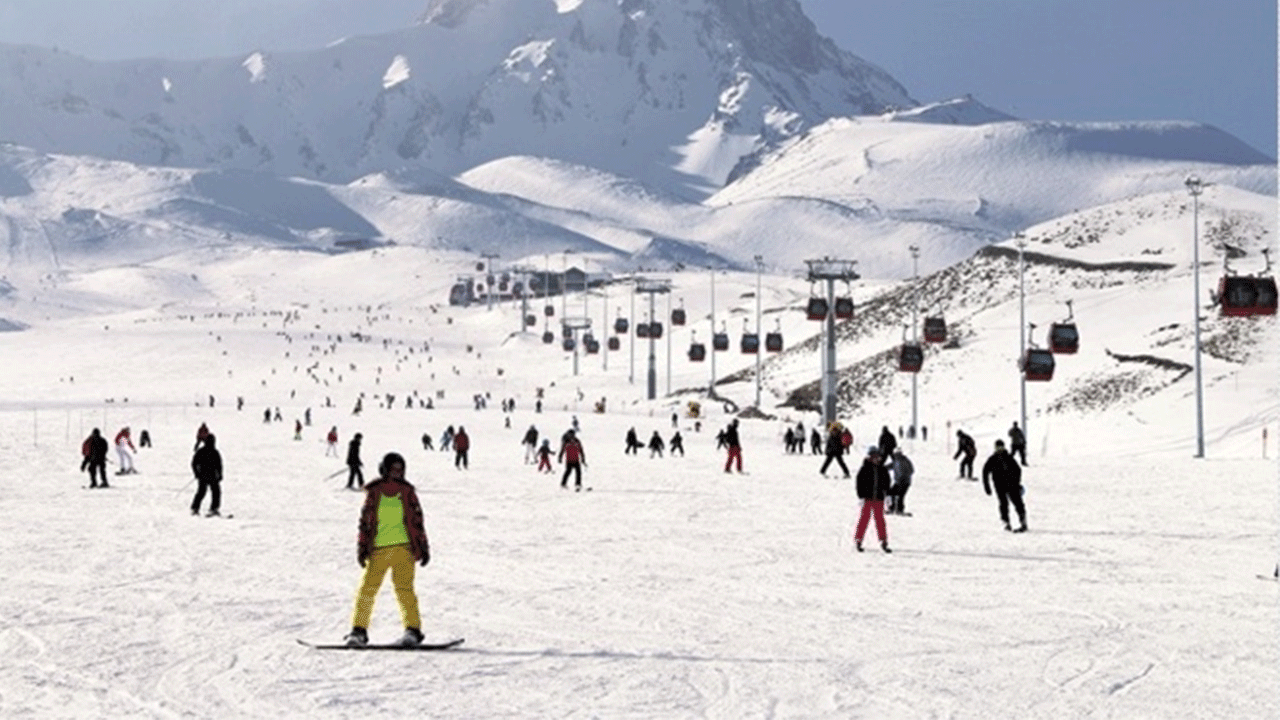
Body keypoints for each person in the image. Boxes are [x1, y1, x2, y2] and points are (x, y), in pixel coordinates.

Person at [344, 452, 430, 647]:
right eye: (393, 469)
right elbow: (365, 522)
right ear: (384, 469)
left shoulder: (407, 492)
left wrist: (423, 546)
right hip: (378, 550)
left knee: (405, 591)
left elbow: (417, 520)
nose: (397, 473)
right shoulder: (375, 492)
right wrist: (362, 546)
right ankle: (358, 630)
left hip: (404, 550)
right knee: (367, 590)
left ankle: (412, 630)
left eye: (400, 469)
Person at [853, 446, 892, 553]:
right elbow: (859, 483)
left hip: (879, 498)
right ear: (869, 457)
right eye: (873, 457)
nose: (876, 459)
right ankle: (858, 539)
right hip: (867, 498)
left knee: (880, 520)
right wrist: (861, 496)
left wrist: (888, 495)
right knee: (864, 519)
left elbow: (887, 483)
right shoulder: (864, 469)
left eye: (877, 456)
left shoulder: (882, 469)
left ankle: (883, 540)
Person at [982, 439, 1027, 532]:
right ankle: (1006, 522)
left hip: (1011, 484)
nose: (1000, 450)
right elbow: (985, 472)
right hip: (999, 485)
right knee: (1003, 503)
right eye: (998, 448)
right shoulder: (992, 459)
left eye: (1001, 447)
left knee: (1017, 502)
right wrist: (987, 486)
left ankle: (1023, 521)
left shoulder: (1009, 458)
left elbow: (1018, 470)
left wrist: (1017, 482)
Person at [190, 433, 224, 516]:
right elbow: (194, 463)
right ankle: (209, 508)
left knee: (211, 492)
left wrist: (196, 473)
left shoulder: (204, 451)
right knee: (206, 492)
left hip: (209, 476)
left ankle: (197, 508)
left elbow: (219, 465)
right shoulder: (212, 452)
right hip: (206, 476)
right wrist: (197, 473)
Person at [886, 448, 914, 515]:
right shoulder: (896, 461)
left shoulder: (905, 461)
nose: (896, 455)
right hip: (898, 482)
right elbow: (890, 466)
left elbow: (911, 470)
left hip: (905, 482)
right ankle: (892, 508)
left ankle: (899, 510)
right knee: (891, 493)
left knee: (900, 495)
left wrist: (904, 476)